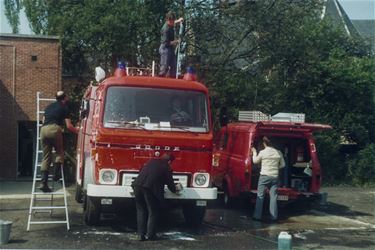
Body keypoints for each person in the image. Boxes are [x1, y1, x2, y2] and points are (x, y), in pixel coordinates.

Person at [132, 153, 182, 241]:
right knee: (153, 212)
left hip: (137, 186)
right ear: (169, 161)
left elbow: (142, 172)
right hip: (149, 189)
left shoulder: (151, 161)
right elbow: (171, 185)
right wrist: (176, 188)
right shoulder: (166, 167)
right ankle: (151, 235)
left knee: (141, 211)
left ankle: (141, 235)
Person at [39, 91, 78, 192]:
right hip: (54, 129)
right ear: (64, 98)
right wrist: (78, 131)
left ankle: (43, 183)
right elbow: (69, 126)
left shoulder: (48, 107)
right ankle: (56, 175)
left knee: (46, 157)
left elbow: (43, 121)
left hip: (43, 130)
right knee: (60, 151)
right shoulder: (64, 108)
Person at [251, 136, 285, 222]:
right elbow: (283, 165)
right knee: (273, 197)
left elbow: (255, 161)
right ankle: (274, 217)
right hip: (274, 177)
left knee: (260, 196)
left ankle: (257, 216)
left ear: (264, 143)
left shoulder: (263, 152)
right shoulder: (278, 152)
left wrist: (254, 152)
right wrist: (276, 167)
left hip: (264, 177)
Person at [159, 11, 184, 77]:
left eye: (173, 21)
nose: (173, 23)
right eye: (172, 21)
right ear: (168, 20)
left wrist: (178, 20)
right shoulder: (165, 30)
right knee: (164, 67)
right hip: (165, 49)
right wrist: (176, 41)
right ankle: (161, 79)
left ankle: (172, 79)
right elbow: (166, 43)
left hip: (170, 48)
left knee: (173, 66)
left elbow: (174, 22)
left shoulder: (170, 23)